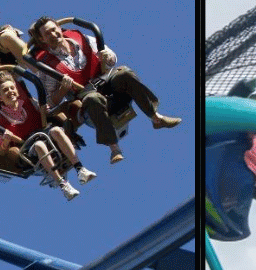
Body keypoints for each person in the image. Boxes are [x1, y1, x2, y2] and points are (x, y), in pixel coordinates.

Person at [28, 15, 181, 164]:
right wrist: (62, 89)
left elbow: (110, 56)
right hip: (85, 96)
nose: (53, 35)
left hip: (105, 80)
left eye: (54, 30)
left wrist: (108, 58)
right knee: (93, 99)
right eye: (47, 34)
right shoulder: (46, 66)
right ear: (42, 40)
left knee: (125, 73)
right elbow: (51, 101)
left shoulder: (80, 37)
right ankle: (114, 148)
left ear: (59, 28)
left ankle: (156, 117)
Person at [0, 67, 91, 198]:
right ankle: (63, 184)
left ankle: (80, 169)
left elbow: (45, 110)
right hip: (29, 145)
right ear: (0, 98)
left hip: (44, 132)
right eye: (5, 90)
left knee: (56, 130)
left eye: (12, 88)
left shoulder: (28, 102)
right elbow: (1, 150)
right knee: (39, 145)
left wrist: (45, 110)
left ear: (17, 91)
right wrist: (6, 139)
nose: (10, 91)